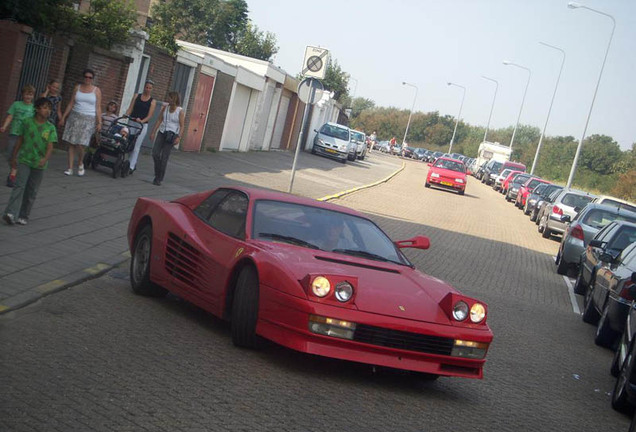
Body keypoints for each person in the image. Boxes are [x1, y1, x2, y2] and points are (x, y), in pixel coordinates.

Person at [2, 97, 56, 225]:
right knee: (19, 186)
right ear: (37, 109)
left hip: (39, 164)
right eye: (44, 107)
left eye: (49, 108)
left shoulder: (50, 127)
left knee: (31, 190)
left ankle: (23, 215)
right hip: (25, 159)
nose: (47, 110)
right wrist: (14, 157)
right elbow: (20, 140)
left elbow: (50, 146)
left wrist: (45, 159)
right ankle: (10, 213)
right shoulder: (27, 122)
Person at [59, 68, 102, 176]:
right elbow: (71, 103)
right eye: (86, 77)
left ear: (92, 79)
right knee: (71, 142)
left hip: (88, 118)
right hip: (75, 116)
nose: (87, 79)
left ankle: (80, 162)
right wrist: (63, 117)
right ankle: (69, 168)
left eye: (90, 77)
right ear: (83, 77)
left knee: (81, 144)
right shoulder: (77, 88)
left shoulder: (96, 90)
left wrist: (99, 122)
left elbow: (98, 107)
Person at [1, 84, 35, 187]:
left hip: (25, 136)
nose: (28, 97)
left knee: (19, 155)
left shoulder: (33, 108)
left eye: (30, 95)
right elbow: (10, 116)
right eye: (26, 94)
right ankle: (14, 169)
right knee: (10, 153)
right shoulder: (16, 104)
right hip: (14, 133)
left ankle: (13, 175)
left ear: (33, 96)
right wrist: (4, 126)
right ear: (22, 95)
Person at [149, 91, 184, 186]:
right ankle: (158, 172)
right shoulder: (165, 108)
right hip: (162, 132)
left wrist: (178, 137)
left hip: (171, 135)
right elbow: (159, 120)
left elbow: (182, 125)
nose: (168, 99)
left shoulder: (179, 111)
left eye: (170, 98)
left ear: (174, 99)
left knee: (164, 157)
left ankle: (158, 178)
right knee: (155, 153)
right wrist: (153, 132)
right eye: (168, 98)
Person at [125, 80, 156, 174]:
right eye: (146, 87)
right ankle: (129, 162)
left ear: (152, 89)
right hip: (132, 121)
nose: (148, 89)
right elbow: (131, 108)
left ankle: (131, 166)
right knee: (128, 142)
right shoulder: (136, 96)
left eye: (150, 88)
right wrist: (126, 114)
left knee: (136, 146)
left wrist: (141, 121)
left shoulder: (152, 101)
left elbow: (150, 115)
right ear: (144, 87)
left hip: (142, 125)